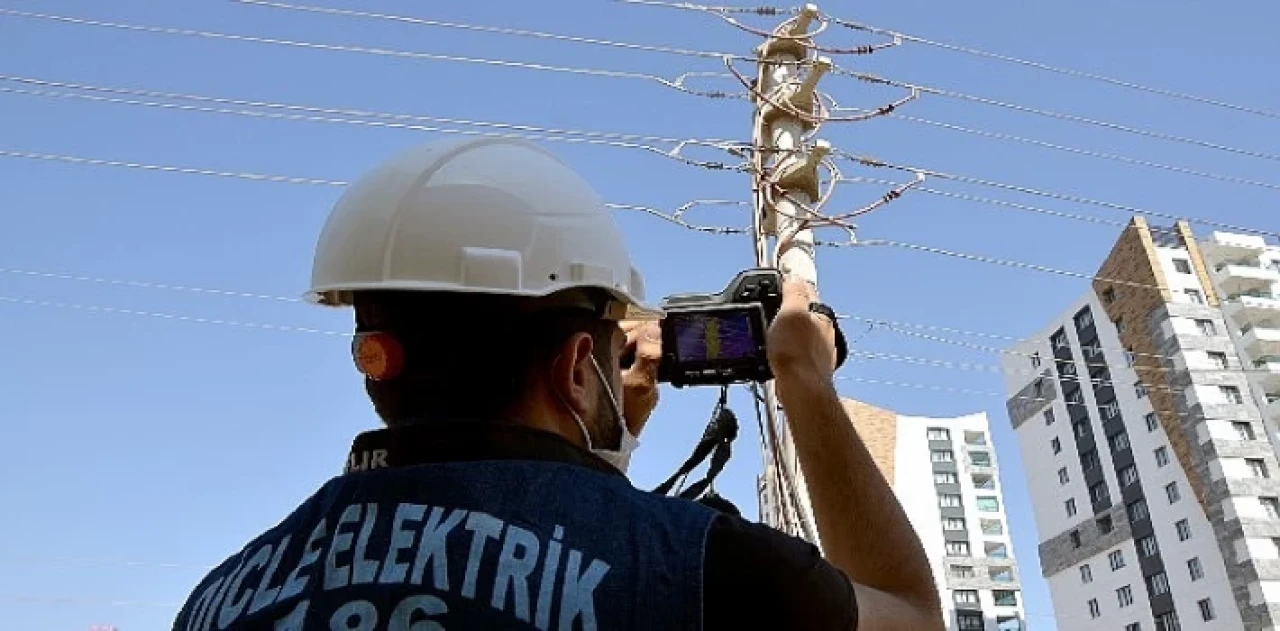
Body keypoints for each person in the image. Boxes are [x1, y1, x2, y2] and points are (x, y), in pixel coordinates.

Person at [171, 137, 942, 631]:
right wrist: (804, 381)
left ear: (375, 355)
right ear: (576, 368)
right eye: (606, 355)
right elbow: (911, 616)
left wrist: (604, 446)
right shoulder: (702, 568)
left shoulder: (218, 597)